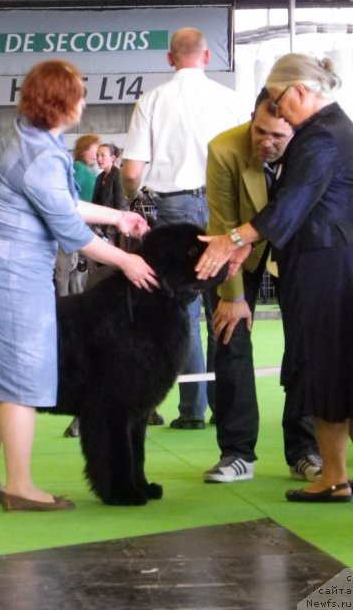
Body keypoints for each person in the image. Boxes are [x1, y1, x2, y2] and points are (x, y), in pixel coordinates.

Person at [0, 59, 158, 512]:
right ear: (62, 102)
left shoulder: (18, 135)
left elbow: (61, 202)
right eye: (80, 94)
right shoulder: (42, 155)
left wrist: (117, 216)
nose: (85, 101)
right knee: (20, 384)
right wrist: (126, 258)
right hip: (12, 277)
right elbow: (69, 230)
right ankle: (21, 487)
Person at [195, 53, 353, 503]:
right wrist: (237, 251)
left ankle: (326, 470)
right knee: (325, 372)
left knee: (327, 371)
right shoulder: (320, 133)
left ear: (300, 91)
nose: (278, 113)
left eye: (281, 105)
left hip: (325, 265)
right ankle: (332, 477)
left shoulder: (321, 137)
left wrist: (233, 240)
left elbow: (289, 206)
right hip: (317, 263)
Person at [121, 26, 245, 430]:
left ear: (169, 59)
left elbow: (132, 171)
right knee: (226, 302)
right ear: (207, 58)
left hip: (176, 210)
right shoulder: (230, 100)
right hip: (227, 207)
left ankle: (192, 410)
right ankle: (228, 408)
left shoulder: (153, 100)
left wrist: (132, 198)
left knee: (183, 310)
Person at [202, 87, 321, 483]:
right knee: (229, 337)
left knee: (306, 346)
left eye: (277, 136)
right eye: (259, 131)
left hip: (299, 252)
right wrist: (232, 297)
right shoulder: (223, 149)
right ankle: (237, 453)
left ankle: (304, 449)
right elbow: (222, 225)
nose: (265, 142)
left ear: (296, 130)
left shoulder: (315, 150)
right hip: (238, 250)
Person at [55, 134, 100, 297]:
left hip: (83, 224)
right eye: (94, 149)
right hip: (75, 224)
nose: (97, 153)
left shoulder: (89, 170)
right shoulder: (79, 168)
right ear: (85, 150)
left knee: (77, 267)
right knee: (67, 267)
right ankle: (63, 302)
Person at [92, 143, 128, 245]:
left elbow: (121, 205)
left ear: (112, 158)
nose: (99, 159)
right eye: (97, 155)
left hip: (113, 228)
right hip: (103, 225)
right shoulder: (100, 177)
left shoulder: (118, 175)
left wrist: (116, 229)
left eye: (103, 155)